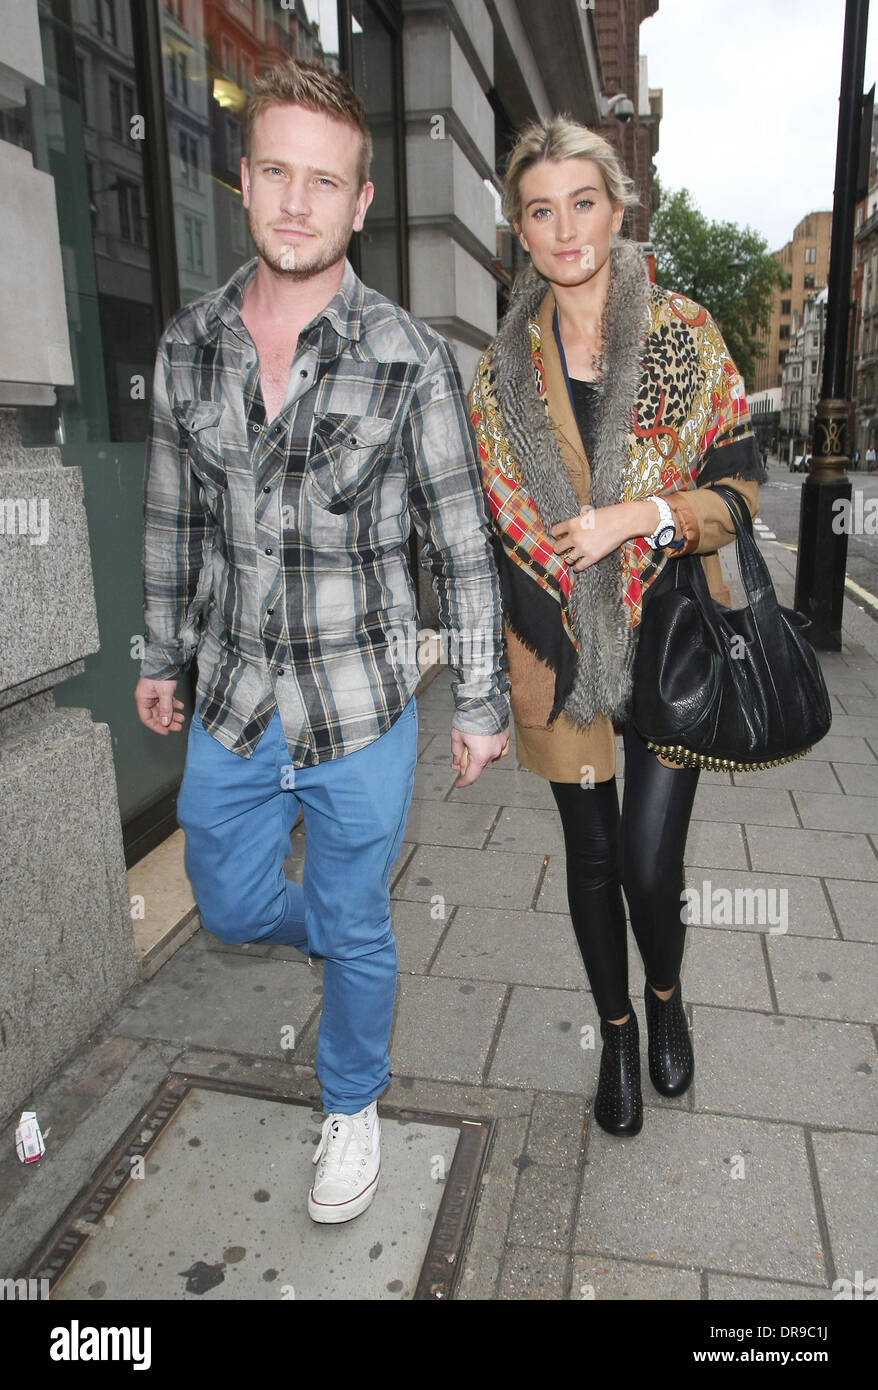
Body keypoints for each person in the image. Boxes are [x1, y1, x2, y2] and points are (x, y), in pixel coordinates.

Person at [134, 57, 509, 1222]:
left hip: (361, 710)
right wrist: (157, 655)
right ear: (243, 181)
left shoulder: (408, 356)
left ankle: (351, 1099)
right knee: (232, 902)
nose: (297, 202)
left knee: (353, 916)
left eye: (326, 181)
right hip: (234, 699)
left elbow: (459, 538)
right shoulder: (189, 347)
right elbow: (172, 515)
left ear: (360, 203)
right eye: (277, 174)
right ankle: (347, 946)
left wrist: (484, 700)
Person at [469, 117, 764, 1137]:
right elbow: (497, 523)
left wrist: (641, 516)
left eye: (581, 203)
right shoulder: (497, 368)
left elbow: (739, 486)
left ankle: (667, 997)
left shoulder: (681, 329)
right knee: (589, 860)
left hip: (671, 630)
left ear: (617, 205)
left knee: (647, 861)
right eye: (540, 210)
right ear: (518, 225)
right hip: (553, 642)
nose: (563, 229)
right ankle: (617, 1034)